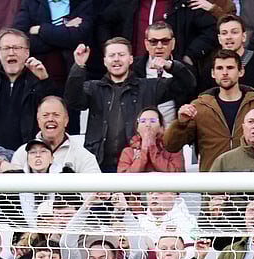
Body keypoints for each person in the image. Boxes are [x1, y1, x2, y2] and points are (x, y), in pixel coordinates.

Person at [66, 37, 196, 172]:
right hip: (99, 164)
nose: (116, 59)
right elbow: (73, 100)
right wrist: (79, 66)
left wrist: (170, 65)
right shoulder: (93, 88)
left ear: (131, 59)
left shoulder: (149, 86)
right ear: (105, 61)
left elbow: (187, 84)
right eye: (111, 55)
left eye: (121, 55)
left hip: (137, 165)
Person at [164, 49, 254, 172]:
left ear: (241, 71)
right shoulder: (199, 107)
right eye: (220, 68)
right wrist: (180, 124)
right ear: (212, 73)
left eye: (230, 67)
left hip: (252, 182)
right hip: (213, 183)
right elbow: (171, 146)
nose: (225, 73)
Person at [7, 96, 101, 173]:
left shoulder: (83, 157)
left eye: (56, 115)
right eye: (45, 115)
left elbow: (95, 191)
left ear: (66, 120)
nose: (50, 119)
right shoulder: (22, 153)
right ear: (38, 121)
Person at [118, 107, 186, 172]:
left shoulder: (173, 149)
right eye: (143, 121)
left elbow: (178, 174)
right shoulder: (128, 152)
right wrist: (143, 151)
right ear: (137, 128)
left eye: (153, 121)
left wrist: (153, 150)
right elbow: (124, 178)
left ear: (161, 128)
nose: (148, 124)